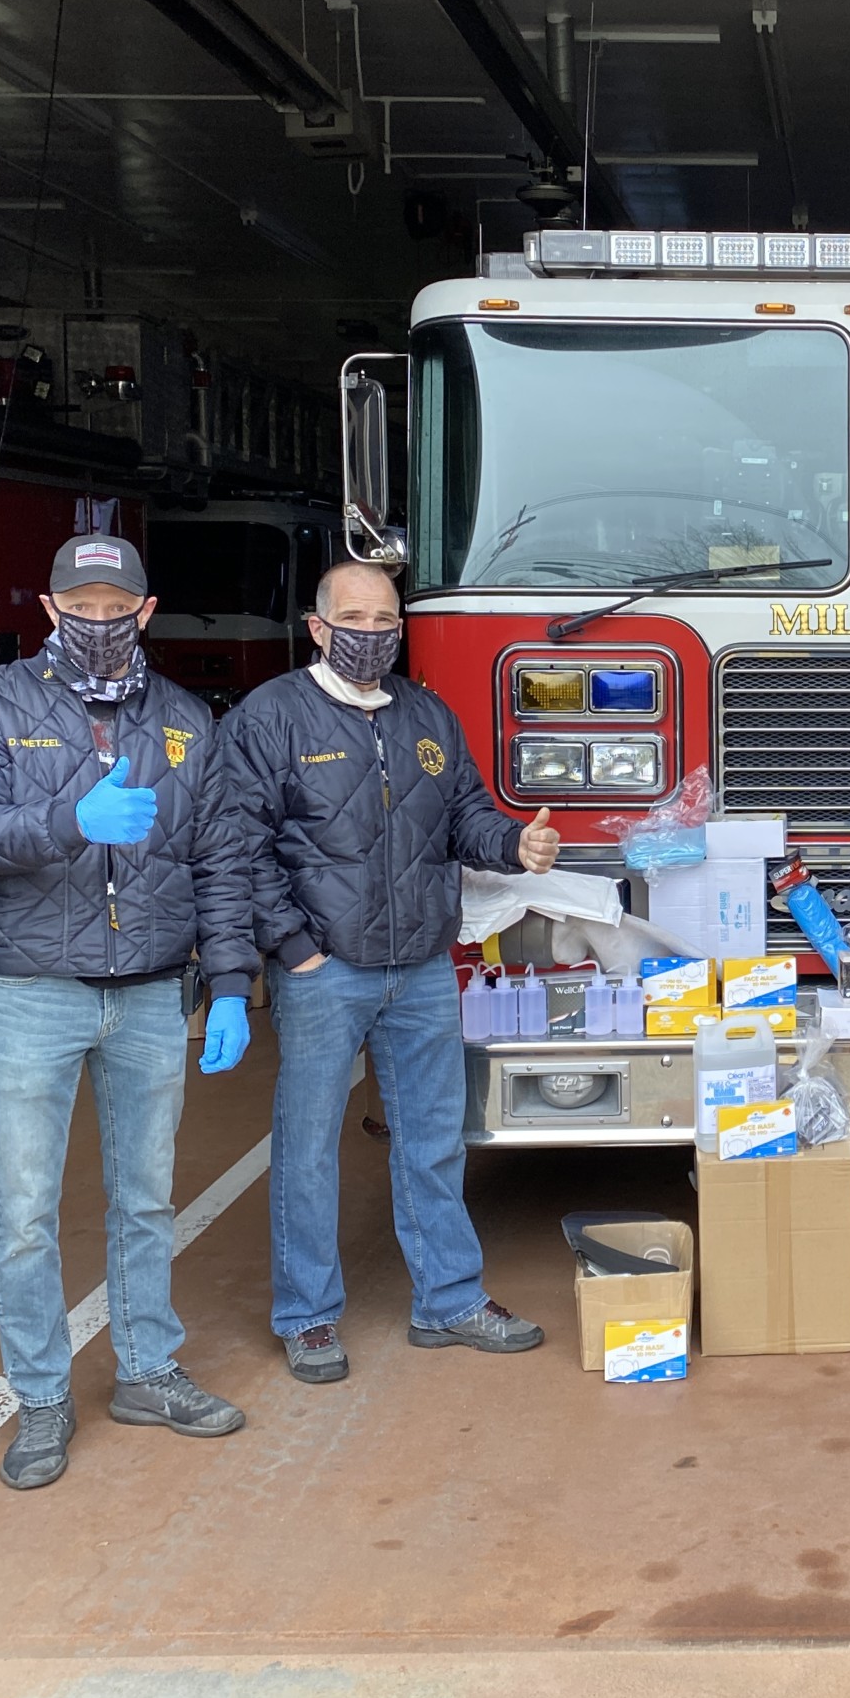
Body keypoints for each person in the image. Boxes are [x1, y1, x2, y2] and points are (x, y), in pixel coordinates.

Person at [0, 533, 259, 1491]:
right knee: (26, 1212)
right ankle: (40, 1396)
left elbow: (222, 862)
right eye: (84, 607)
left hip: (153, 994)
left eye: (119, 609)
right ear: (48, 608)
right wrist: (66, 822)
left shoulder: (189, 724)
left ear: (147, 612)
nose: (101, 623)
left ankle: (147, 1370)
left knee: (146, 1199)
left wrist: (230, 984)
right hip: (35, 995)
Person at [221, 559, 561, 1384]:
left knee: (433, 1144)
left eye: (385, 623)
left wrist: (514, 844)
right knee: (307, 1150)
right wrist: (294, 948)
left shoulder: (426, 715)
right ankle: (306, 1317)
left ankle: (449, 1301)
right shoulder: (273, 718)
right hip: (324, 972)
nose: (371, 635)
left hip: (417, 967)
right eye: (356, 619)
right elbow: (240, 844)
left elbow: (466, 816)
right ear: (318, 627)